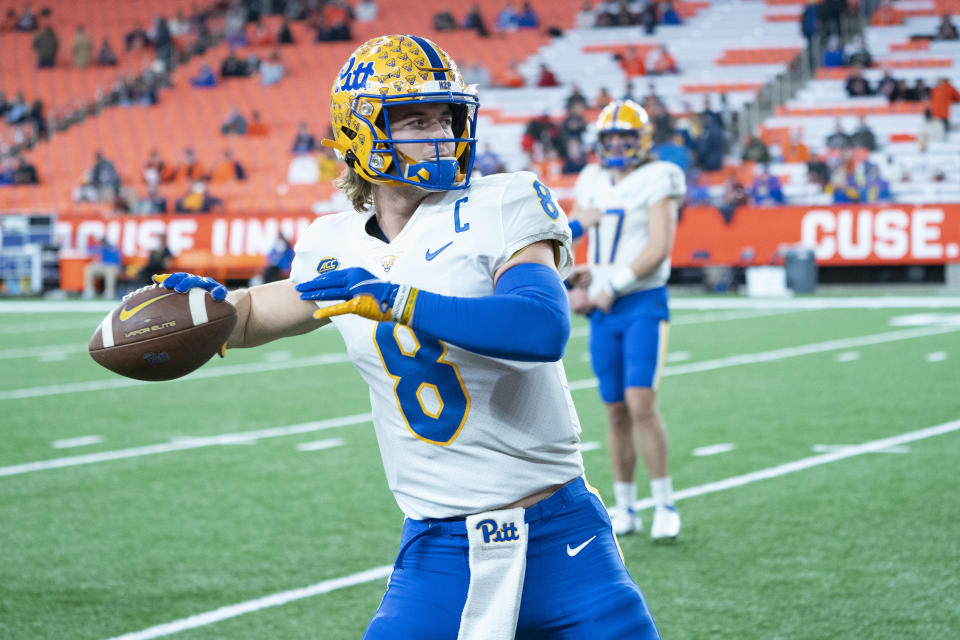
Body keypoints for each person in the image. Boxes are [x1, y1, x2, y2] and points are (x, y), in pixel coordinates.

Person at [153, 34, 662, 639]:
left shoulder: (504, 202)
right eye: (415, 119)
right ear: (362, 130)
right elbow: (255, 315)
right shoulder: (331, 243)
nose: (442, 135)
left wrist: (397, 300)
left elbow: (541, 324)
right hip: (437, 547)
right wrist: (202, 311)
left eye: (445, 117)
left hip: (561, 536)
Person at [567, 99, 684, 541]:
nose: (617, 146)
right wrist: (576, 279)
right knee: (614, 409)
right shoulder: (592, 178)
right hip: (602, 307)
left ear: (643, 141)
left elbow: (657, 250)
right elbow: (573, 237)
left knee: (641, 404)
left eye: (625, 138)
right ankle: (626, 505)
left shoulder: (659, 177)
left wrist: (607, 287)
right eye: (610, 139)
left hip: (640, 303)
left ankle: (664, 503)